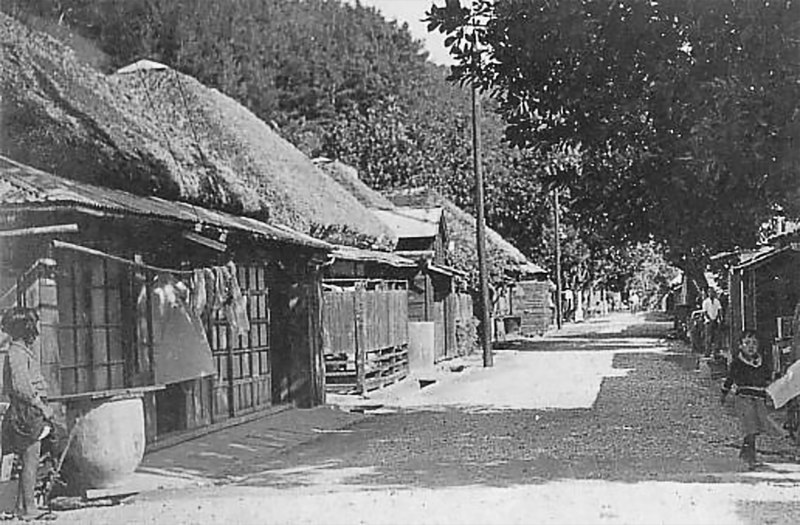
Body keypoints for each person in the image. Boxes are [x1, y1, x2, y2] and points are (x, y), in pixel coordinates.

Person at [0, 307, 54, 521]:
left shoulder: (19, 351)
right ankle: (29, 508)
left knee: (30, 459)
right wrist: (42, 407)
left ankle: (24, 505)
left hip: (26, 410)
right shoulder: (17, 353)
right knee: (30, 460)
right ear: (26, 328)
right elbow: (21, 386)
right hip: (27, 411)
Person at [720, 331, 783, 470]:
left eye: (754, 343)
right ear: (740, 346)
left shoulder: (762, 362)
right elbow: (729, 379)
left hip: (759, 398)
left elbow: (768, 379)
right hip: (744, 398)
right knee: (750, 427)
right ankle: (750, 456)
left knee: (758, 426)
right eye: (747, 343)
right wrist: (724, 394)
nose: (751, 346)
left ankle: (746, 453)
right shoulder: (737, 363)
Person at [702, 288, 723, 357]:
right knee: (708, 337)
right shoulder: (706, 302)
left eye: (712, 292)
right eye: (710, 292)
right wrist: (710, 319)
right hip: (708, 322)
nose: (711, 294)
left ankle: (715, 352)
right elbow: (705, 312)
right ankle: (707, 352)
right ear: (708, 293)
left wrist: (718, 318)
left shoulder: (717, 301)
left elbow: (719, 310)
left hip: (715, 321)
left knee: (716, 337)